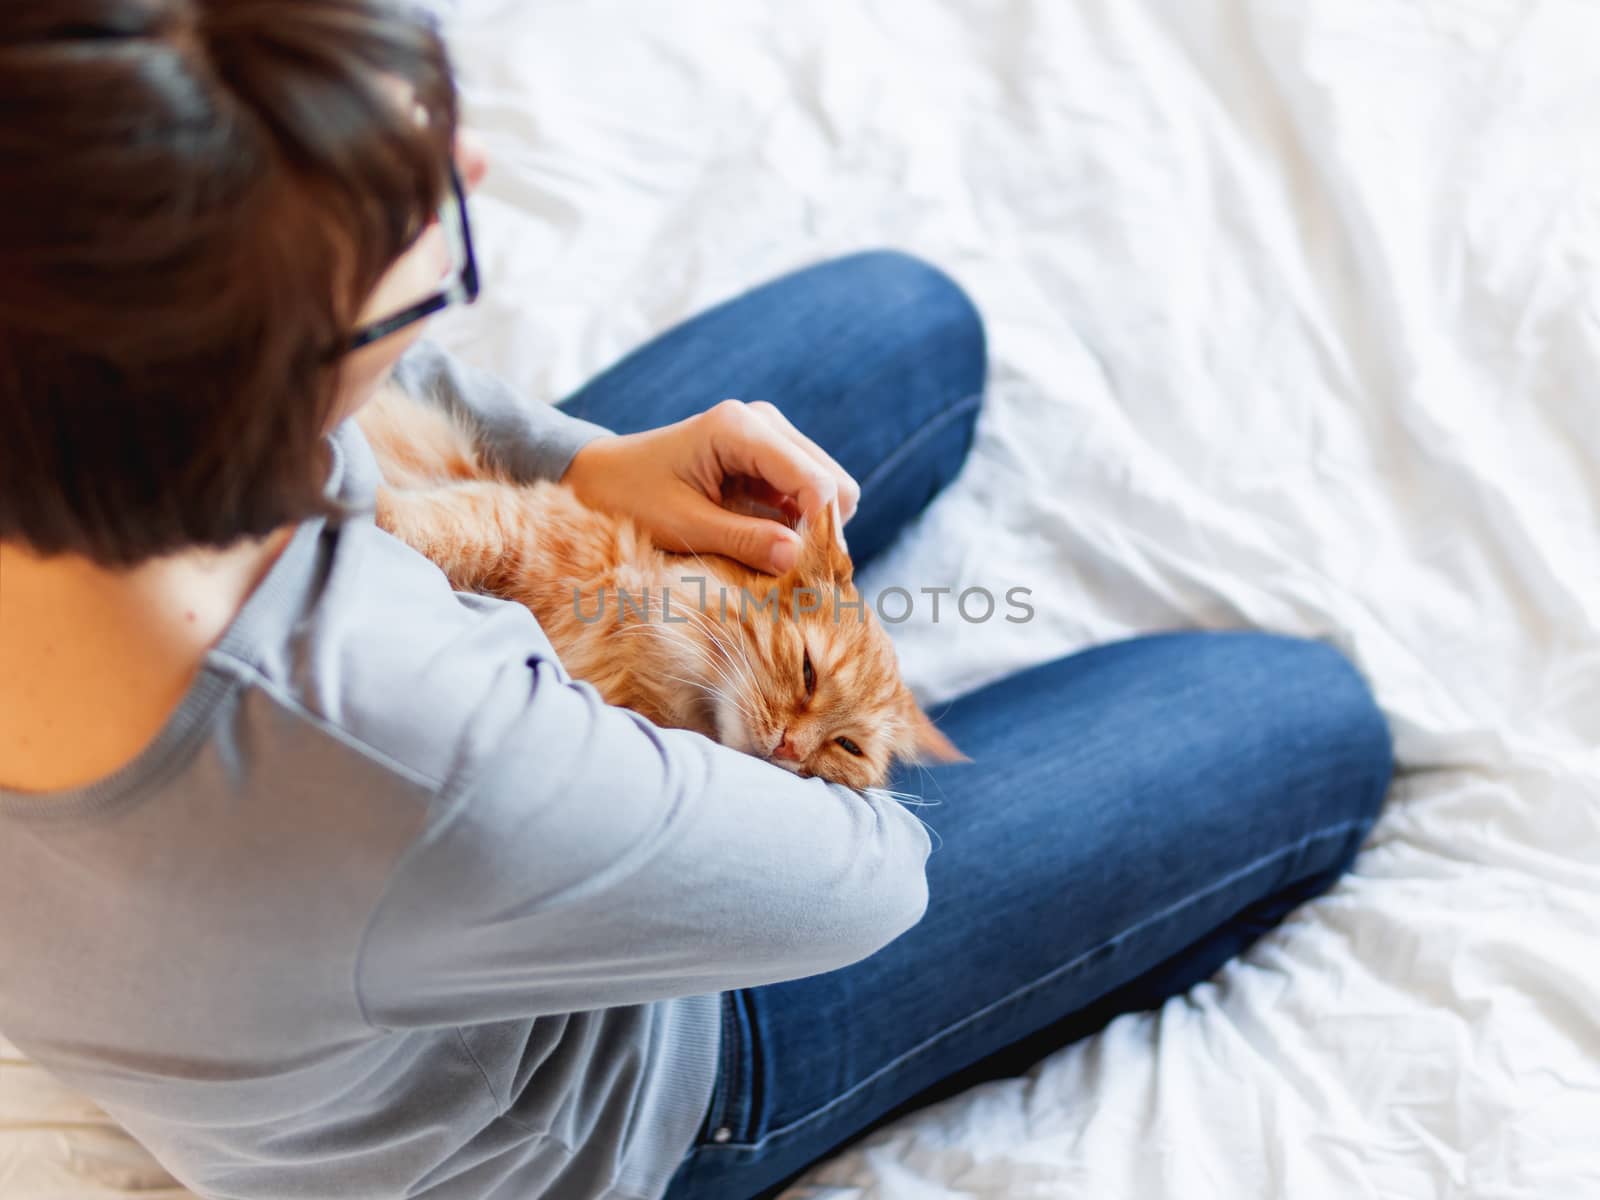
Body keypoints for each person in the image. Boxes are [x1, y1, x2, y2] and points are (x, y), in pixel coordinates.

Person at [0, 4, 1394, 1199]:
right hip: (582, 1091)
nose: (464, 157)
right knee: (1305, 720)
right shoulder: (400, 742)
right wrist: (753, 702)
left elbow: (380, 409)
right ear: (264, 376)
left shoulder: (72, 371)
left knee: (899, 321)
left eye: (421, 104)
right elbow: (864, 881)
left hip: (301, 888)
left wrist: (596, 472)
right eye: (414, 218)